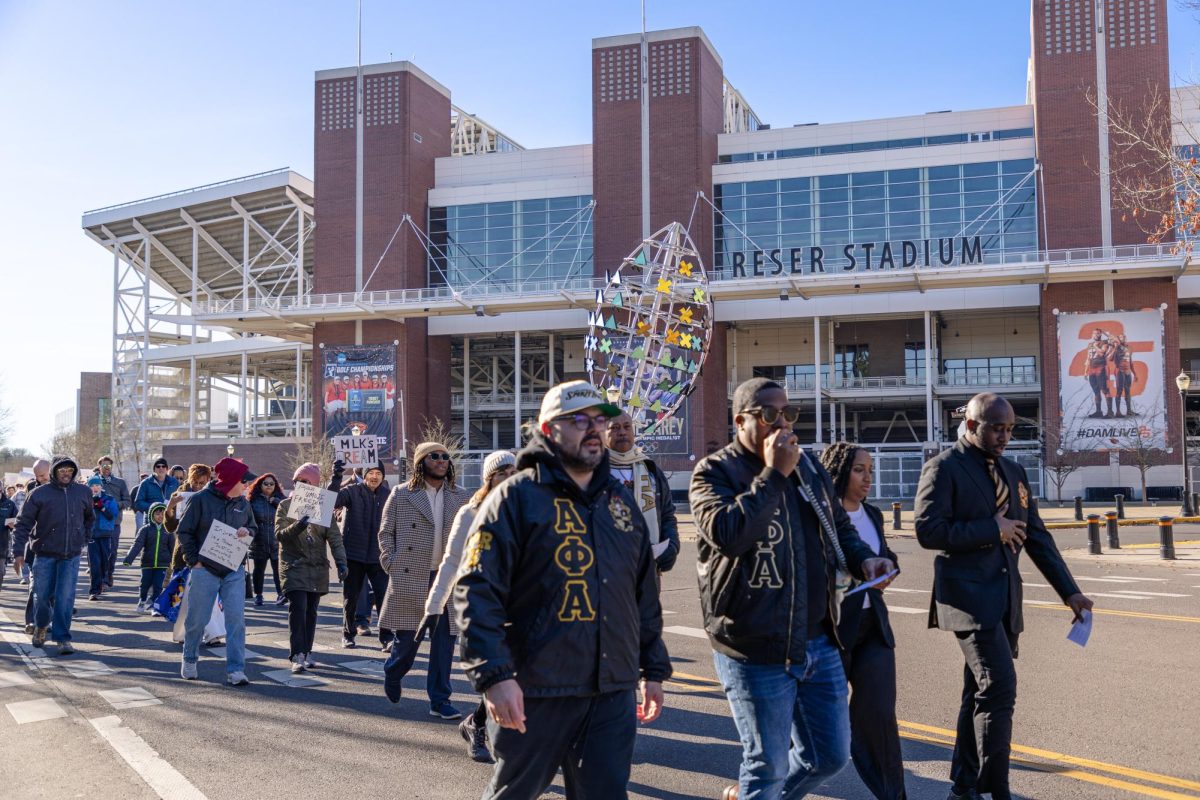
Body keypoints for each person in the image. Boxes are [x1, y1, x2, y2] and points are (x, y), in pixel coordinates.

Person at [455, 381, 670, 799]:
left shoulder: (619, 504)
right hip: (537, 688)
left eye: (598, 421)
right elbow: (475, 592)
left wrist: (654, 668)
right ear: (548, 430)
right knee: (514, 794)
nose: (594, 430)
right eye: (579, 421)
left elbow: (642, 594)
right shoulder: (515, 498)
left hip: (612, 691)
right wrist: (494, 676)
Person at [689, 378, 896, 800]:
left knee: (829, 756)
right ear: (740, 420)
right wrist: (772, 474)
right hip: (754, 645)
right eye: (769, 414)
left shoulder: (807, 466)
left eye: (787, 413)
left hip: (818, 640)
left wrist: (864, 559)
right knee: (767, 764)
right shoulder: (714, 472)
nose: (781, 423)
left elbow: (837, 526)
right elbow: (730, 534)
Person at [915, 392, 1094, 800]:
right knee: (999, 687)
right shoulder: (943, 468)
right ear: (973, 425)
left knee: (977, 693)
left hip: (1005, 601)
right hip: (966, 601)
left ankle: (962, 787)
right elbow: (928, 532)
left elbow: (1036, 537)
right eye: (997, 427)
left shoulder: (1015, 471)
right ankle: (996, 790)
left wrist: (1070, 592)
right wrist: (989, 528)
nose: (1005, 436)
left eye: (1010, 428)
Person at [819, 443, 906, 800]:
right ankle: (762, 787)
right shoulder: (821, 516)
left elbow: (882, 553)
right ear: (839, 471)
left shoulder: (873, 513)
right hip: (832, 631)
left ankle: (893, 796)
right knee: (820, 727)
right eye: (859, 469)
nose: (868, 477)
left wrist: (887, 566)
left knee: (879, 717)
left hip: (873, 627)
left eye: (871, 469)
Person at [422, 449, 516, 763]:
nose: (509, 478)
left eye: (514, 472)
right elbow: (450, 563)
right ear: (490, 479)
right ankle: (480, 728)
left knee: (521, 677)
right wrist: (434, 605)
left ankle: (482, 726)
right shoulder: (471, 513)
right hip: (485, 608)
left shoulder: (527, 511)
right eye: (502, 473)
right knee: (498, 675)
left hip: (520, 608)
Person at [378, 441, 471, 718]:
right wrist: (391, 563)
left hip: (447, 578)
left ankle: (440, 700)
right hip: (411, 575)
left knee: (444, 644)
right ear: (421, 462)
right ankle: (393, 672)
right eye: (435, 456)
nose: (442, 460)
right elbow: (385, 533)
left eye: (445, 456)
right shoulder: (401, 493)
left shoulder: (461, 496)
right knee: (407, 644)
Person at [175, 457, 258, 686]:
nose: (247, 486)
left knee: (236, 621)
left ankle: (236, 670)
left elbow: (253, 527)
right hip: (205, 569)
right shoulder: (201, 500)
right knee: (197, 619)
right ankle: (190, 658)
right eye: (244, 481)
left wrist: (247, 531)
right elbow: (184, 532)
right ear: (230, 481)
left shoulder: (243, 503)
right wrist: (194, 561)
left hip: (234, 570)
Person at [12, 457, 95, 654]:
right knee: (41, 598)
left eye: (69, 470)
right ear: (54, 472)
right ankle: (41, 626)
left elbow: (90, 518)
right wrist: (17, 553)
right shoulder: (39, 494)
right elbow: (22, 524)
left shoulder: (83, 491)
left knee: (65, 598)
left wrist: (83, 539)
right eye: (62, 470)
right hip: (44, 555)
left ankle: (63, 638)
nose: (66, 473)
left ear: (74, 472)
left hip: (71, 555)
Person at [276, 463, 348, 674]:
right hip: (293, 565)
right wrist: (299, 523)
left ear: (315, 485)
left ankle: (306, 652)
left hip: (316, 567)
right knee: (298, 609)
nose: (301, 485)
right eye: (298, 481)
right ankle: (296, 654)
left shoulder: (322, 506)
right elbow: (280, 535)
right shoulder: (285, 506)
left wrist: (342, 562)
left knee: (311, 611)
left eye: (306, 482)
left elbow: (334, 538)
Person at [605, 411, 680, 575]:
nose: (622, 432)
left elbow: (667, 515)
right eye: (615, 428)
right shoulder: (594, 472)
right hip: (608, 572)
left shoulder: (650, 469)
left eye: (627, 427)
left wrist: (672, 546)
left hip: (648, 571)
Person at [330, 458, 392, 649]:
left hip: (379, 556)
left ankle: (387, 637)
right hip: (354, 555)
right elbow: (330, 501)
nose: (374, 477)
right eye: (371, 473)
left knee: (384, 598)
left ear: (383, 476)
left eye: (378, 473)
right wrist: (336, 477)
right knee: (351, 598)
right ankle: (348, 634)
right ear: (364, 475)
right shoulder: (352, 492)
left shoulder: (390, 495)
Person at [123, 502, 174, 612]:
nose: (160, 517)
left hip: (162, 564)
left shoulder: (168, 531)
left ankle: (154, 605)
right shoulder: (145, 529)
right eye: (157, 514)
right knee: (144, 584)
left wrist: (174, 562)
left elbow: (173, 548)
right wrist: (129, 558)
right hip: (147, 563)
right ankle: (142, 600)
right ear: (151, 515)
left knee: (158, 585)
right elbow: (137, 544)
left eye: (163, 514)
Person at [247, 473, 285, 606]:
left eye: (272, 484)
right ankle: (258, 595)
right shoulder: (253, 500)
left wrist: (276, 502)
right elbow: (248, 520)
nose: (269, 486)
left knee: (278, 570)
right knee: (259, 570)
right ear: (260, 485)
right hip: (259, 540)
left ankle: (281, 594)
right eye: (266, 483)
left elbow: (290, 513)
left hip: (277, 540)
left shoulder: (281, 500)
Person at [97, 455, 132, 587]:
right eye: (104, 466)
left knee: (111, 552)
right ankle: (98, 581)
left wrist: (114, 505)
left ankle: (108, 575)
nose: (106, 468)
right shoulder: (94, 482)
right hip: (97, 523)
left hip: (113, 523)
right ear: (99, 467)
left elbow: (128, 501)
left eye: (109, 466)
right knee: (97, 553)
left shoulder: (120, 482)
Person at [85, 476, 120, 601]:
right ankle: (93, 591)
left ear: (101, 486)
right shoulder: (86, 499)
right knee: (94, 563)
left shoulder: (109, 499)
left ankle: (103, 582)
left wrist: (101, 506)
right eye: (92, 485)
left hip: (106, 534)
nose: (95, 488)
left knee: (105, 562)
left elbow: (112, 516)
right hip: (92, 535)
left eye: (97, 485)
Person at [165, 464, 211, 535]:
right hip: (184, 541)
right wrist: (169, 509)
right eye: (195, 482)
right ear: (189, 480)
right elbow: (171, 528)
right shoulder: (178, 496)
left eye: (202, 483)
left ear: (208, 481)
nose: (198, 486)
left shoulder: (213, 496)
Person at [135, 458, 180, 528]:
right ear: (154, 469)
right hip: (150, 522)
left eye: (163, 466)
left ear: (167, 469)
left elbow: (179, 501)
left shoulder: (174, 482)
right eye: (158, 466)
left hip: (168, 521)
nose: (161, 468)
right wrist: (155, 507)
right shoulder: (145, 483)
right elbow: (138, 503)